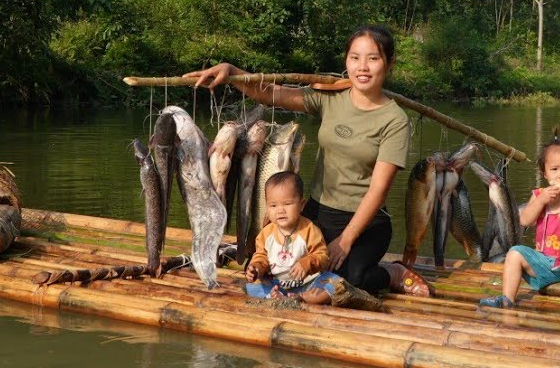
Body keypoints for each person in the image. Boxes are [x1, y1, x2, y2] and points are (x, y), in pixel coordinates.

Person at [184, 24, 432, 297]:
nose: (363, 67)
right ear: (346, 61)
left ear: (389, 63)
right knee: (282, 266)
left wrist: (346, 240)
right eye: (355, 57)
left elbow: (379, 189)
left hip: (366, 223)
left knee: (349, 278)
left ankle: (392, 272)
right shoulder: (332, 97)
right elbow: (272, 94)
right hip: (318, 213)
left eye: (373, 58)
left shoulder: (395, 120)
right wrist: (232, 73)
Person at [478, 133, 560, 321]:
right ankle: (507, 298)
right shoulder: (540, 196)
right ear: (544, 173)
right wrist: (541, 201)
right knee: (515, 252)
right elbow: (525, 220)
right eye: (554, 169)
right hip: (543, 263)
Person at [243, 172, 341, 304]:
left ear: (301, 205)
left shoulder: (309, 230)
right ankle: (275, 296)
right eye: (273, 205)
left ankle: (301, 298)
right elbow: (261, 256)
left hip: (308, 283)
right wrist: (256, 268)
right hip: (278, 283)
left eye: (287, 204)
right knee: (251, 286)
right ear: (267, 207)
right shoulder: (266, 233)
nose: (280, 210)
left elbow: (323, 257)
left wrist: (307, 263)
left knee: (335, 284)